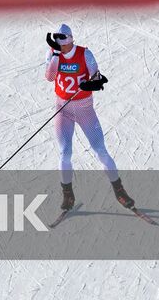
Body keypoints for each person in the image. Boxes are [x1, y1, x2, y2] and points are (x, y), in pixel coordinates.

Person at [45, 24, 134, 212]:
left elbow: (98, 78)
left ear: (69, 39)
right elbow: (50, 77)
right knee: (65, 152)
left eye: (61, 39)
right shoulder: (54, 54)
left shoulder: (85, 54)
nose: (59, 43)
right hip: (63, 109)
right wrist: (54, 54)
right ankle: (68, 195)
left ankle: (119, 191)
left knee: (100, 150)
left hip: (85, 110)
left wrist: (91, 85)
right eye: (57, 40)